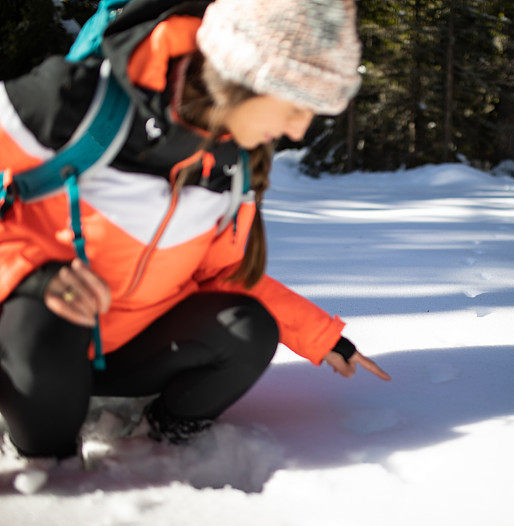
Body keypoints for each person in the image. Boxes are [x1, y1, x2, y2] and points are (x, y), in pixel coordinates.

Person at [0, 0, 390, 461]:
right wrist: (28, 269)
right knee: (48, 315)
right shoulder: (75, 102)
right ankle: (49, 464)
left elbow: (222, 277)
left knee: (248, 330)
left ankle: (158, 441)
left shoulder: (232, 164)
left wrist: (321, 337)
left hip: (128, 352)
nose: (299, 131)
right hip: (33, 340)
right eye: (297, 106)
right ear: (245, 78)